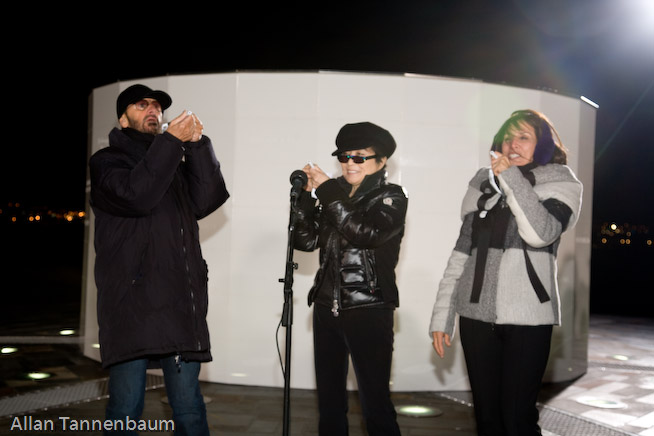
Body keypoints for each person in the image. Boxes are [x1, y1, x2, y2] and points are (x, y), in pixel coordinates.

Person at [429, 109, 583, 435]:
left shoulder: (561, 182)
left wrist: (511, 180)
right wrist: (442, 316)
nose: (513, 144)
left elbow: (540, 233)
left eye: (523, 137)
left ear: (541, 145)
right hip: (475, 316)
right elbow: (460, 255)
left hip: (528, 318)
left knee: (517, 419)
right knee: (486, 418)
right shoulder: (483, 185)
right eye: (508, 138)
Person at [89, 84, 229, 435]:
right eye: (141, 105)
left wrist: (197, 146)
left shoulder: (173, 164)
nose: (153, 110)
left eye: (157, 106)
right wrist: (172, 144)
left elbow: (208, 200)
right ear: (123, 118)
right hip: (131, 306)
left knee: (189, 409)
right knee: (125, 409)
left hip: (179, 304)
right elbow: (137, 195)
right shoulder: (106, 162)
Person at [294, 122, 408, 436]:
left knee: (375, 404)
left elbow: (365, 233)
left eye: (359, 157)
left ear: (381, 161)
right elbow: (305, 241)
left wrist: (327, 191)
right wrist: (305, 200)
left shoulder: (392, 197)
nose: (349, 163)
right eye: (344, 156)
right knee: (329, 404)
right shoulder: (335, 196)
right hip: (325, 308)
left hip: (368, 308)